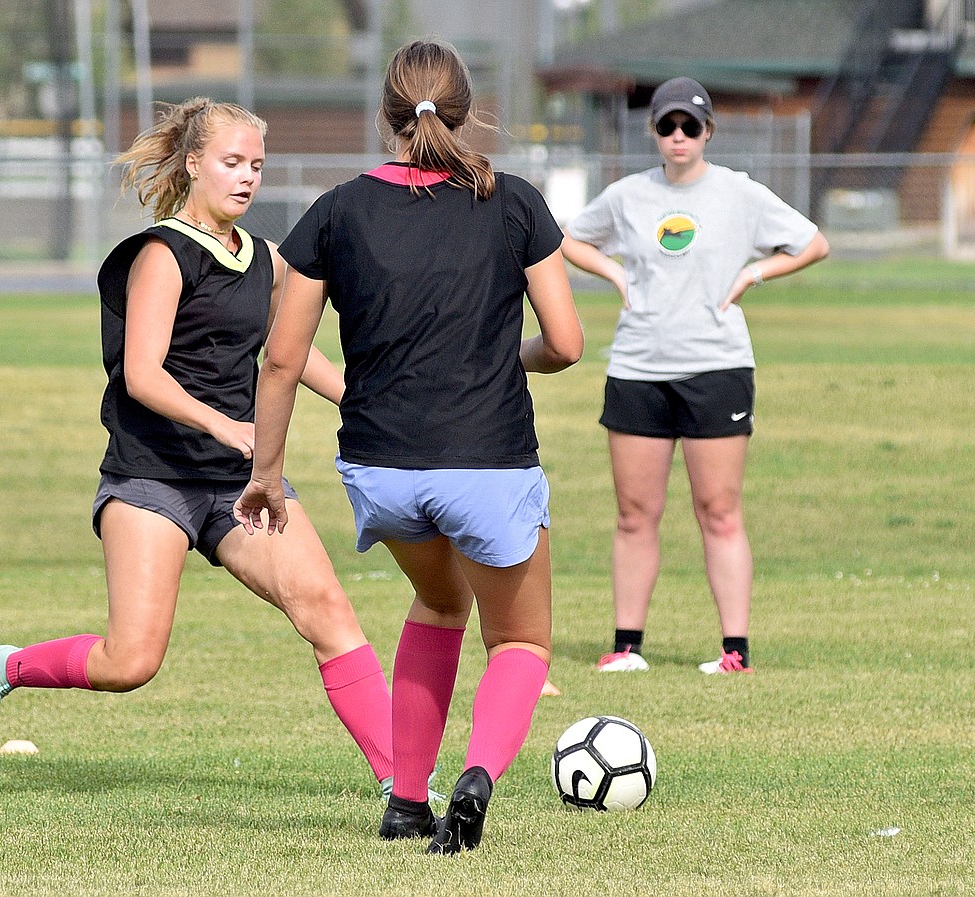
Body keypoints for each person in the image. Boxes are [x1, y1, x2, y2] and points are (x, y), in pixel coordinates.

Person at [0, 98, 398, 797]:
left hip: (237, 483)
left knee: (329, 612)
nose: (246, 178)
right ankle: (7, 667)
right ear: (193, 165)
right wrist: (224, 423)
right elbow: (142, 374)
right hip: (151, 478)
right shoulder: (162, 254)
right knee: (131, 661)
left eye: (257, 166)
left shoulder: (262, 259)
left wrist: (366, 403)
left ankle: (404, 785)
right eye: (232, 163)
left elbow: (290, 351)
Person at [234, 40, 583, 855]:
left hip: (382, 472)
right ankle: (479, 776)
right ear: (466, 109)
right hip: (487, 463)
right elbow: (564, 343)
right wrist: (512, 357)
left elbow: (281, 358)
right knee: (522, 639)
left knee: (437, 601)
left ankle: (405, 800)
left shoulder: (335, 209)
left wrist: (267, 477)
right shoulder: (514, 200)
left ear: (387, 116)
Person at [561, 77, 830, 676]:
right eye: (667, 126)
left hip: (717, 368)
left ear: (709, 131)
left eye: (690, 126)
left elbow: (813, 244)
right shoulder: (628, 196)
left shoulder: (740, 194)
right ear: (653, 132)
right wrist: (614, 274)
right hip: (638, 369)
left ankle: (734, 652)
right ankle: (627, 646)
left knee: (720, 509)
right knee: (635, 512)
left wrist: (753, 275)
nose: (678, 137)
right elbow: (568, 240)